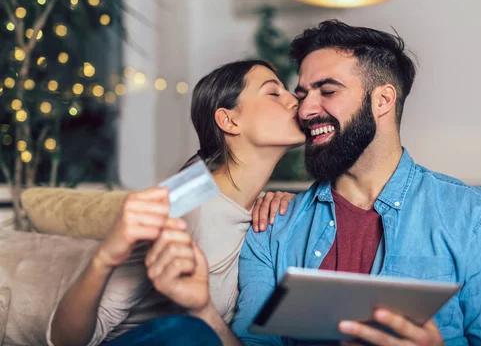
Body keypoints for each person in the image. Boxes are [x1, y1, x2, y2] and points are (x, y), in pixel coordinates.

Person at [91, 20, 481, 346]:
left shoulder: (478, 220)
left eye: (327, 91)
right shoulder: (273, 227)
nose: (304, 110)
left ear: (383, 100)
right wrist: (202, 309)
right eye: (301, 93)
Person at [48, 60, 305, 346]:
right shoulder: (183, 202)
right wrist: (103, 258)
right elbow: (66, 340)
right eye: (274, 93)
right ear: (229, 121)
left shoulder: (261, 210)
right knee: (191, 330)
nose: (295, 100)